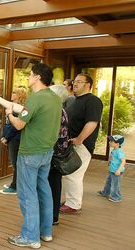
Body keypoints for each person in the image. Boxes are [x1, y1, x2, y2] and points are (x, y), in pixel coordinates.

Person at [0, 63, 62, 248]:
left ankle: (30, 237)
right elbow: (22, 108)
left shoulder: (35, 99)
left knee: (27, 194)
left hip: (30, 153)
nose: (28, 78)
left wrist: (9, 115)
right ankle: (45, 232)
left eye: (30, 75)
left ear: (37, 77)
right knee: (43, 190)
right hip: (46, 152)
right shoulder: (54, 98)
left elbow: (20, 124)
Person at [60, 73, 103, 214]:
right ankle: (70, 201)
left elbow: (92, 123)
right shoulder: (74, 100)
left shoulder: (93, 101)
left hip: (82, 145)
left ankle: (74, 205)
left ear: (88, 85)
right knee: (68, 174)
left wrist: (79, 139)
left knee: (74, 175)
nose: (75, 84)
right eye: (75, 81)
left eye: (79, 81)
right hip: (70, 144)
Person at [48, 84, 71, 225]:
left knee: (51, 185)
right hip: (59, 153)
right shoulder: (62, 110)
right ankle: (53, 215)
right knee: (55, 184)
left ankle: (51, 216)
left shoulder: (55, 111)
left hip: (53, 155)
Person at [0, 87, 27, 195]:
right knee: (16, 163)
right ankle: (16, 184)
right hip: (12, 138)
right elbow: (8, 124)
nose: (12, 94)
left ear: (20, 96)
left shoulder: (19, 109)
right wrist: (4, 135)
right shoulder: (12, 106)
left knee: (16, 163)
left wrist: (7, 137)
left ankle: (15, 186)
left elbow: (15, 127)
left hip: (16, 139)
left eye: (14, 92)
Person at [98, 135, 126, 202]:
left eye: (111, 141)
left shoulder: (119, 151)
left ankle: (116, 197)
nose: (109, 142)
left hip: (116, 171)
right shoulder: (114, 150)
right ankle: (106, 192)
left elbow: (123, 161)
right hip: (112, 170)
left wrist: (118, 170)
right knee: (109, 182)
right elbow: (112, 157)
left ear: (117, 143)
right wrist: (109, 161)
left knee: (115, 185)